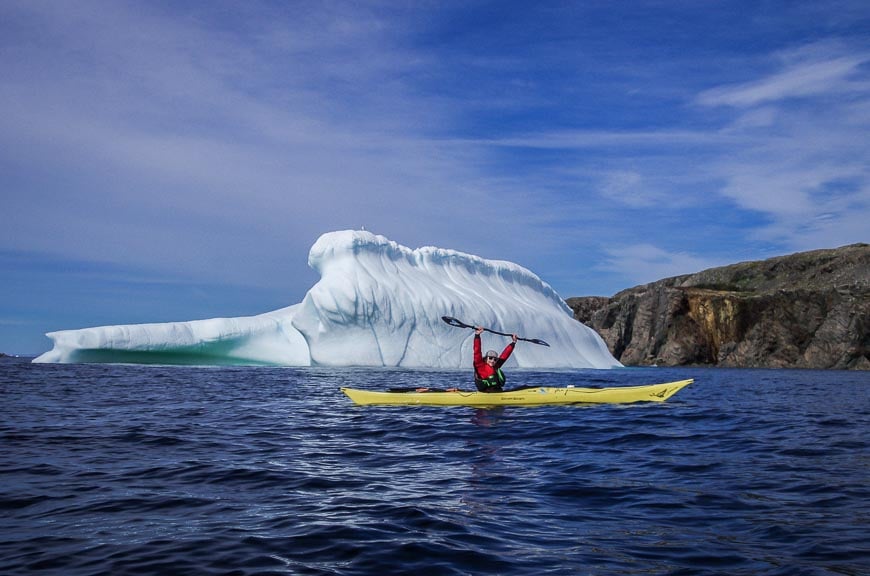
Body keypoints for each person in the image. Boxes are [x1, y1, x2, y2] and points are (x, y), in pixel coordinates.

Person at [473, 326, 517, 392]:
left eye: (495, 359)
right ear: (486, 359)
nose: (492, 361)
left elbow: (505, 355)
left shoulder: (496, 366)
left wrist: (513, 343)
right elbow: (477, 351)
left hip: (498, 392)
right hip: (486, 394)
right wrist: (477, 335)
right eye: (490, 358)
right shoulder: (480, 366)